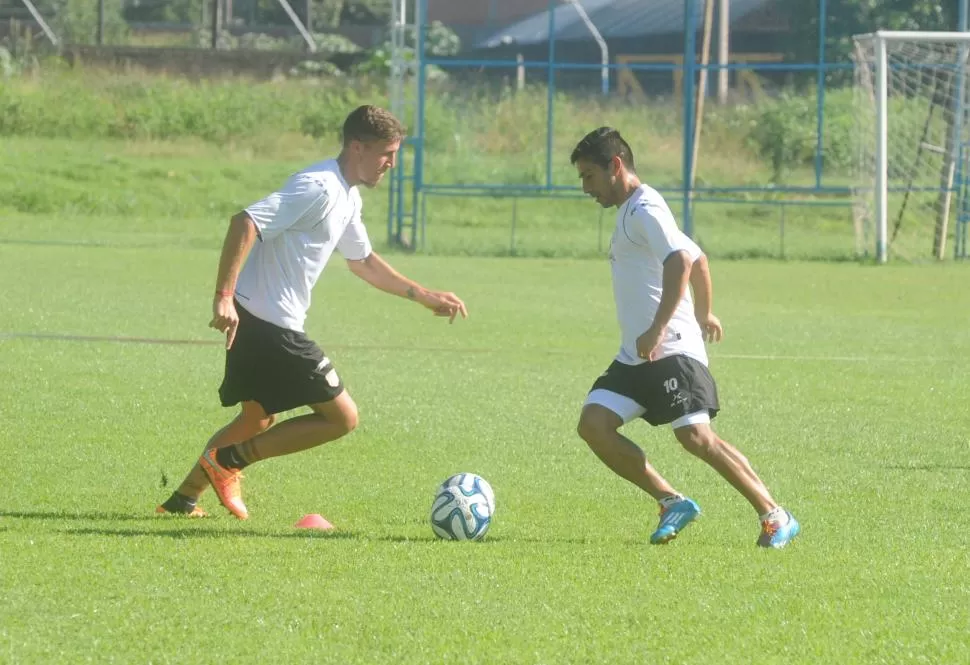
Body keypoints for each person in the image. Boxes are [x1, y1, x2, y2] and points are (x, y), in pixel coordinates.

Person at [156, 105, 467, 520]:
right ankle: (228, 462)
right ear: (357, 147)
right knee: (341, 418)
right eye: (385, 154)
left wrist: (424, 295)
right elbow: (245, 221)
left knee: (257, 418)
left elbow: (363, 262)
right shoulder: (317, 187)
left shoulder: (347, 194)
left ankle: (183, 499)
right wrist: (222, 296)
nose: (392, 164)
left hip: (260, 319)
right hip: (269, 325)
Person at [570, 127, 799, 548]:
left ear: (615, 166)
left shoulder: (644, 210)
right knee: (594, 424)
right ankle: (671, 500)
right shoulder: (635, 210)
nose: (586, 188)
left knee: (695, 437)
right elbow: (697, 256)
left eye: (589, 176)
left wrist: (659, 327)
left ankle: (774, 513)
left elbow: (680, 260)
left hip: (670, 346)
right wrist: (705, 311)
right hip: (637, 354)